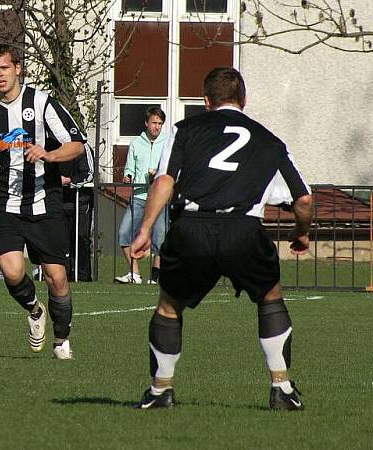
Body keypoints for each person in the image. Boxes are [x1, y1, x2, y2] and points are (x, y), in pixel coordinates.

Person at [130, 67, 313, 411]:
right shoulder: (270, 141)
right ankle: (282, 388)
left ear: (205, 101)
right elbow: (303, 200)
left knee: (169, 305)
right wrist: (301, 233)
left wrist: (144, 229)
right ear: (243, 101)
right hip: (243, 230)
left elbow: (165, 180)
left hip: (192, 228)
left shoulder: (184, 130)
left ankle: (160, 391)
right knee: (270, 297)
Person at [0, 43, 85, 359]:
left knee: (57, 277)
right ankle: (34, 309)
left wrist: (49, 154)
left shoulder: (41, 103)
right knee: (12, 272)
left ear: (18, 68)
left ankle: (61, 339)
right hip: (1, 201)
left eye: (4, 68)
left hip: (44, 199)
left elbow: (77, 144)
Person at [115, 107, 169, 284]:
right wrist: (127, 176)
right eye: (154, 123)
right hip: (138, 195)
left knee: (160, 239)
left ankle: (156, 276)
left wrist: (159, 176)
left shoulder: (168, 142)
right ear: (147, 123)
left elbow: (171, 168)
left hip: (159, 198)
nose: (157, 127)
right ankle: (134, 273)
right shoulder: (136, 143)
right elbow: (129, 168)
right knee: (124, 233)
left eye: (160, 124)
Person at [60, 142, 95, 282]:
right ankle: (64, 273)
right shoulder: (54, 145)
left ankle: (82, 275)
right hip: (60, 199)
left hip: (81, 199)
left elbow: (89, 174)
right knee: (61, 238)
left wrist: (69, 181)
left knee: (80, 236)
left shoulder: (83, 147)